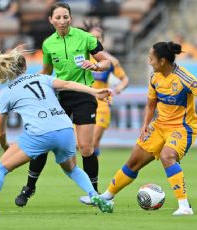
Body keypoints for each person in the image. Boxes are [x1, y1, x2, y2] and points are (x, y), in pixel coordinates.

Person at [90, 41, 197, 215]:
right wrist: (145, 125)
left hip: (182, 128)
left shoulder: (184, 78)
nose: (149, 61)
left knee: (167, 156)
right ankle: (107, 196)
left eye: (151, 58)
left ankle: (184, 206)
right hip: (159, 127)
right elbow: (151, 104)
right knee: (134, 161)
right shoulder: (154, 77)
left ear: (163, 61)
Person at [0, 46, 114, 215]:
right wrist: (95, 91)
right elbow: (67, 84)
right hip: (65, 128)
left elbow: (0, 132)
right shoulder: (43, 78)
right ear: (24, 66)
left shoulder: (6, 92)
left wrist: (5, 147)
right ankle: (93, 194)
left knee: (0, 169)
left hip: (40, 133)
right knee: (72, 169)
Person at [14, 2, 111, 207]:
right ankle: (29, 187)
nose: (62, 21)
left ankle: (94, 193)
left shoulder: (86, 38)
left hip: (84, 95)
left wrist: (95, 65)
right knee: (44, 143)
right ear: (51, 20)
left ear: (70, 18)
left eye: (65, 17)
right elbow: (47, 72)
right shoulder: (49, 44)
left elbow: (106, 62)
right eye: (57, 17)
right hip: (59, 98)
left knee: (86, 148)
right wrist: (27, 83)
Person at [78, 22, 129, 204]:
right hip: (83, 103)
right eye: (93, 37)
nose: (96, 40)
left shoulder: (109, 61)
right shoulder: (81, 58)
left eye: (99, 38)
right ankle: (94, 190)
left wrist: (117, 89)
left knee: (91, 143)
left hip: (102, 105)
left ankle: (94, 191)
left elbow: (125, 79)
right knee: (84, 146)